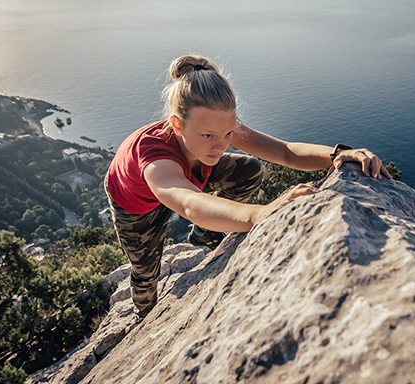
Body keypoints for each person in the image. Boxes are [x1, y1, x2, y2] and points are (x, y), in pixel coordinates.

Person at [105, 54, 392, 318]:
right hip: (137, 203)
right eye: (208, 135)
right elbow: (189, 204)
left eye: (229, 132)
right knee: (145, 270)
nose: (221, 145)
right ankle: (145, 316)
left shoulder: (213, 130)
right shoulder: (153, 154)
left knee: (250, 169)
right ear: (177, 126)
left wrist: (336, 154)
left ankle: (205, 236)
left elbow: (284, 153)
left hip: (186, 178)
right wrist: (261, 213)